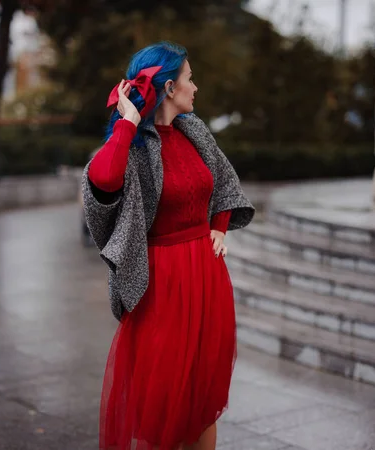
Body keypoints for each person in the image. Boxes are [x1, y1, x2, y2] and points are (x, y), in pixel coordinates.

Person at [82, 41, 255, 450]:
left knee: (201, 401)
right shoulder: (134, 146)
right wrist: (127, 121)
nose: (195, 87)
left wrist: (219, 224)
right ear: (170, 88)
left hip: (207, 277)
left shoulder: (193, 131)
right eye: (189, 79)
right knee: (161, 406)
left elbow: (223, 180)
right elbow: (102, 182)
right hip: (161, 285)